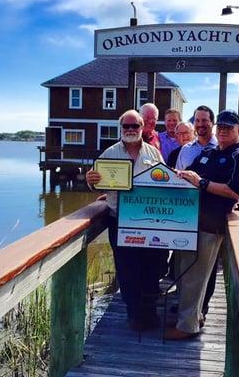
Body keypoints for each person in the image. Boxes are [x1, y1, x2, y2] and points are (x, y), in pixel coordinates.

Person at [165, 110, 239, 340]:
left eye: (229, 127)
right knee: (185, 272)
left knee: (197, 275)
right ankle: (194, 317)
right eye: (221, 127)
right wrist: (178, 175)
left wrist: (202, 183)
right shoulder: (209, 152)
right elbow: (191, 174)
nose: (223, 130)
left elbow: (234, 191)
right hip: (189, 221)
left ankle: (187, 327)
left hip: (210, 224)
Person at [85, 109, 166, 332]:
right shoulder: (109, 154)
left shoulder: (153, 153)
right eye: (126, 126)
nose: (130, 130)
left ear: (143, 128)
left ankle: (149, 312)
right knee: (128, 270)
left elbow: (164, 182)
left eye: (135, 126)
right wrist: (91, 181)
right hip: (119, 219)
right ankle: (134, 315)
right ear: (121, 129)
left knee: (151, 268)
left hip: (148, 221)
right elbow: (97, 184)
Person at [175, 105, 217, 170]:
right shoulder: (185, 149)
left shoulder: (221, 148)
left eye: (204, 120)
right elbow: (177, 177)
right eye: (197, 120)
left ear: (212, 122)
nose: (200, 124)